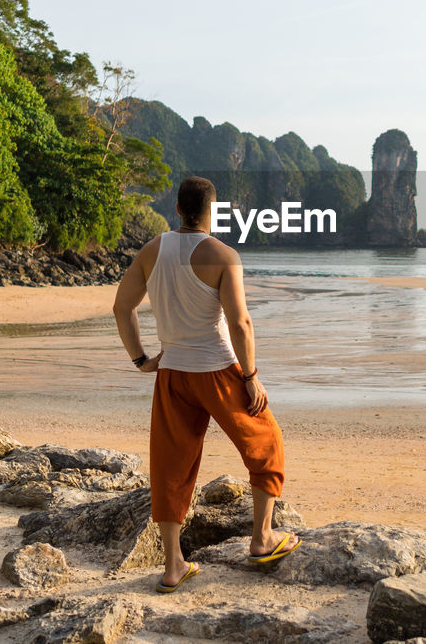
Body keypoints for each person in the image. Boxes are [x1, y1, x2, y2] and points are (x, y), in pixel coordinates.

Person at [113, 176, 300, 593]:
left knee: (171, 465)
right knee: (266, 442)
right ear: (213, 211)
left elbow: (122, 307)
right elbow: (240, 323)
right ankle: (262, 537)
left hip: (172, 373)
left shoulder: (151, 251)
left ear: (177, 209)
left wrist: (142, 360)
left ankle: (173, 565)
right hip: (218, 370)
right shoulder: (223, 255)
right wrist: (250, 377)